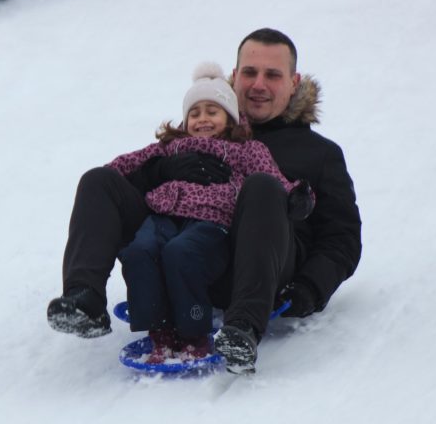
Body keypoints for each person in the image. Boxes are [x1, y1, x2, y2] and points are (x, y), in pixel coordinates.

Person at [47, 28, 362, 374]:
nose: (258, 84)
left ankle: (242, 326)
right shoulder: (208, 122)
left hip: (254, 271)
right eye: (250, 72)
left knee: (261, 187)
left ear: (293, 81)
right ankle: (84, 299)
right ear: (234, 75)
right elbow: (138, 178)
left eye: (272, 75)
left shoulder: (320, 153)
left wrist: (310, 287)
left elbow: (342, 238)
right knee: (99, 181)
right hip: (178, 252)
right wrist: (159, 170)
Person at [108, 62, 312, 365]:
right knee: (139, 251)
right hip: (163, 215)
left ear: (230, 117)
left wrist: (298, 194)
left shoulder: (245, 149)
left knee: (182, 253)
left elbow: (273, 181)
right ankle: (159, 332)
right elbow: (123, 167)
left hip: (212, 219)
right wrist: (152, 171)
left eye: (212, 111)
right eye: (194, 112)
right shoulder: (169, 148)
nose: (202, 119)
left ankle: (193, 333)